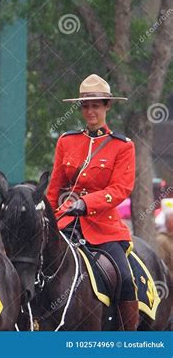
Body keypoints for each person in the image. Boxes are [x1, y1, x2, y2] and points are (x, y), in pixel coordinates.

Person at [46, 74, 138, 330]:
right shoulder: (67, 141)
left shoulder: (122, 146)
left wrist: (87, 204)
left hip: (104, 227)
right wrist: (50, 218)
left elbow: (121, 188)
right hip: (65, 221)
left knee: (125, 278)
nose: (90, 111)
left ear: (107, 106)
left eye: (96, 105)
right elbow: (54, 187)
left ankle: (128, 340)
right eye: (85, 106)